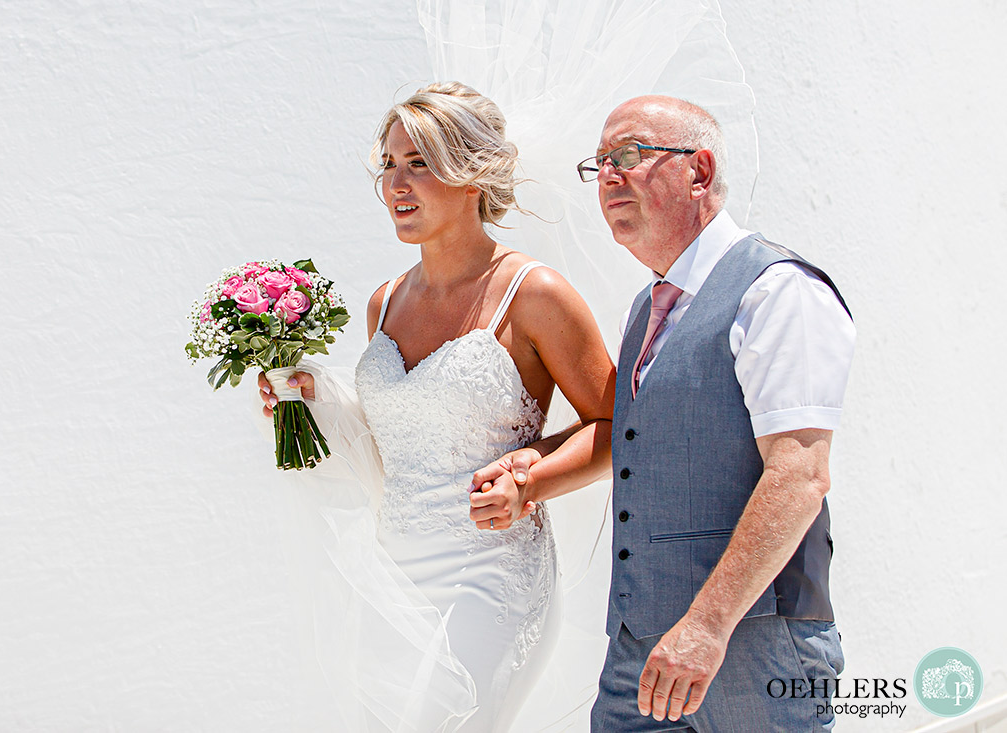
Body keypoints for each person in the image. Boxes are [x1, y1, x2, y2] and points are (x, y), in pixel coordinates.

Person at [471, 94, 856, 731]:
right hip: (638, 645)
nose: (609, 177)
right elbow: (636, 437)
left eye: (629, 155)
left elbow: (799, 477)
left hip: (748, 644)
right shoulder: (647, 308)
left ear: (698, 172)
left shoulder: (777, 290)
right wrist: (531, 471)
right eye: (599, 165)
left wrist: (707, 627)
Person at [258, 81, 615, 732]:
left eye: (419, 163)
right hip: (393, 576)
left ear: (473, 173)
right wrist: (312, 404)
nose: (397, 183)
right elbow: (398, 437)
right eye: (390, 164)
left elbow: (622, 427)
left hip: (491, 572)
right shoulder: (385, 302)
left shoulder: (534, 294)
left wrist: (529, 479)